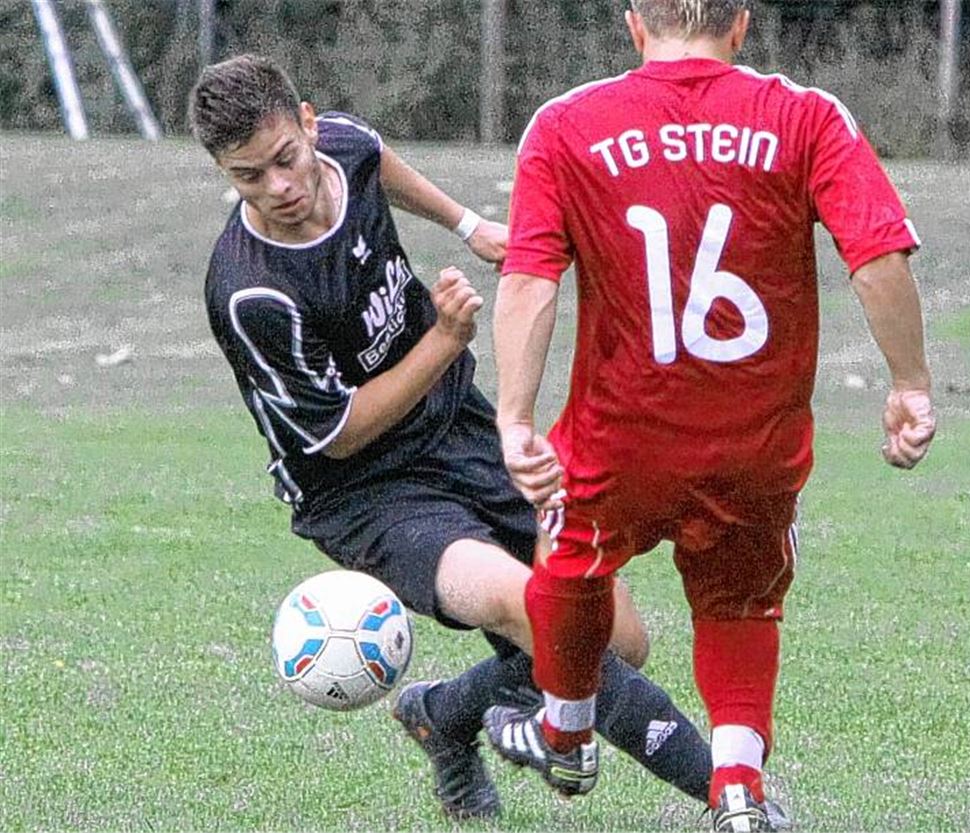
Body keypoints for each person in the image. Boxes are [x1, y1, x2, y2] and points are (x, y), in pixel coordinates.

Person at [189, 53, 720, 824]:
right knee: (534, 610)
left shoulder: (341, 143)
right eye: (249, 176)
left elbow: (376, 159)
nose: (280, 186)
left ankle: (445, 713)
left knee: (619, 641)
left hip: (454, 425)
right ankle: (730, 796)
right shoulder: (251, 291)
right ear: (223, 172)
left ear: (308, 124)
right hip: (366, 491)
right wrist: (441, 338)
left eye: (285, 157)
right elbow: (335, 436)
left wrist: (469, 225)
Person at [485, 1, 936, 830]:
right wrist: (909, 382)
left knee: (572, 558)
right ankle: (737, 787)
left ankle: (565, 729)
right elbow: (876, 253)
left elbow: (529, 280)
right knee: (741, 603)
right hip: (752, 443)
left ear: (632, 24)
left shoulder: (565, 126)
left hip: (621, 439)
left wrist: (514, 414)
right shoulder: (804, 117)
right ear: (741, 25)